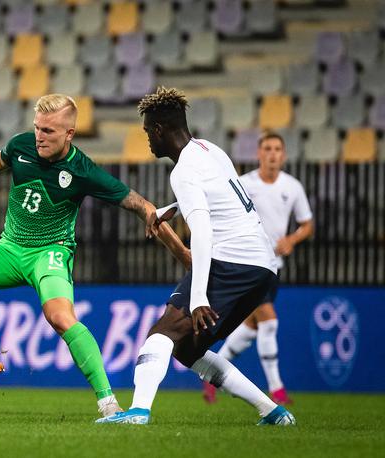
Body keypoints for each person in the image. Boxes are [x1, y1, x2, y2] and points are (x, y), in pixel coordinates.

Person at [0, 94, 191, 419]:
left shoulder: (82, 169)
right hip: (9, 249)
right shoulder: (22, 146)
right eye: (37, 128)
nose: (39, 136)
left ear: (69, 134)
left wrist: (180, 249)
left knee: (60, 317)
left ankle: (108, 403)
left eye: (49, 131)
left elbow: (138, 204)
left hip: (49, 254)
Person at [97, 87, 296, 425]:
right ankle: (274, 412)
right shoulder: (209, 149)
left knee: (161, 334)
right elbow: (224, 196)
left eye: (148, 132)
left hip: (233, 260)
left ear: (159, 130)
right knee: (189, 350)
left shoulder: (183, 171)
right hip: (263, 267)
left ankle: (138, 412)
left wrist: (199, 296)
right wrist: (174, 208)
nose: (147, 140)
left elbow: (203, 233)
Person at [203, 131, 313, 405]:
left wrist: (291, 239)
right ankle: (276, 389)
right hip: (249, 263)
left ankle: (212, 375)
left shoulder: (293, 187)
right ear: (259, 153)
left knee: (251, 328)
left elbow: (307, 224)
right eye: (267, 148)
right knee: (269, 320)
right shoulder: (245, 183)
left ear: (284, 155)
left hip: (274, 267)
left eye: (277, 148)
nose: (272, 153)